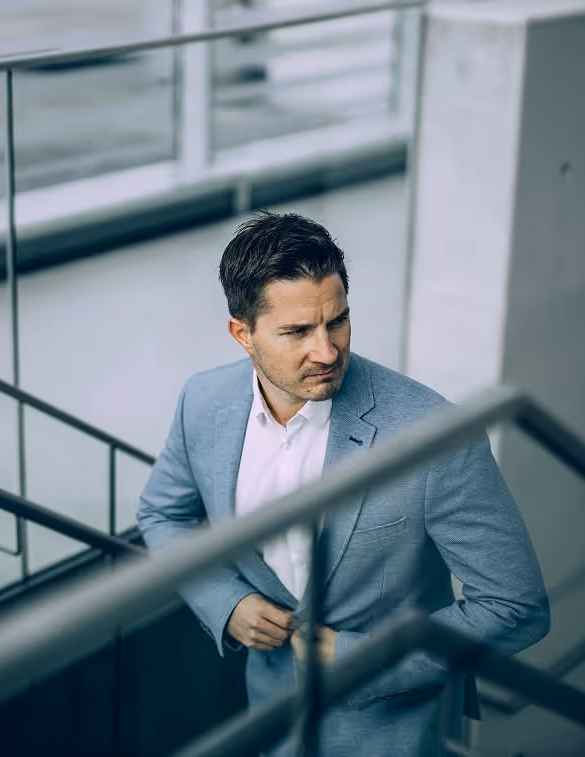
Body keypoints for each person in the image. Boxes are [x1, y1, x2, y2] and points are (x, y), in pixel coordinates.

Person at [136, 211, 550, 756]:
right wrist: (227, 602)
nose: (327, 351)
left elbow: (515, 605)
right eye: (297, 332)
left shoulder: (433, 433)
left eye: (338, 321)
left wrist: (368, 657)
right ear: (243, 334)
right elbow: (163, 516)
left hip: (396, 724)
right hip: (272, 714)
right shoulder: (203, 402)